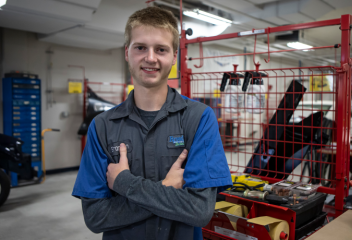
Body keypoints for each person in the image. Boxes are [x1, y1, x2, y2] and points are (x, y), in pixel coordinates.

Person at [72, 6, 232, 240]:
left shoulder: (199, 118)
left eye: (161, 49)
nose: (150, 57)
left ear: (174, 57)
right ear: (127, 52)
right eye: (140, 48)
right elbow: (96, 217)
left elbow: (199, 211)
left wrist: (125, 183)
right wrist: (167, 191)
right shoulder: (102, 126)